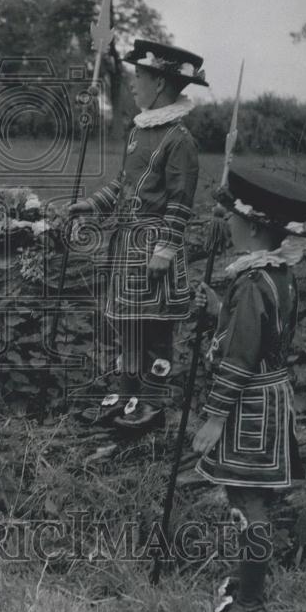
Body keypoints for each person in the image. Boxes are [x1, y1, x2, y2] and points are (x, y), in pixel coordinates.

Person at [192, 164, 306, 612]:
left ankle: (250, 605)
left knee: (248, 503)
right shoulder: (278, 275)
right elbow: (261, 334)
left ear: (256, 225)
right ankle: (247, 587)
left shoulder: (250, 283)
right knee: (252, 501)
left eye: (233, 216)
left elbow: (240, 359)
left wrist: (212, 419)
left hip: (247, 407)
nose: (227, 222)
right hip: (270, 400)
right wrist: (219, 309)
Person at [68, 39, 207, 433]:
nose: (131, 84)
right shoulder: (138, 130)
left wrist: (165, 248)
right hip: (126, 246)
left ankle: (153, 404)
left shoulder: (179, 140)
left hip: (154, 249)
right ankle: (127, 397)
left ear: (160, 84)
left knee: (155, 329)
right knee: (127, 326)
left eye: (139, 76)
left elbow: (181, 201)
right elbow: (124, 183)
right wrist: (92, 204)